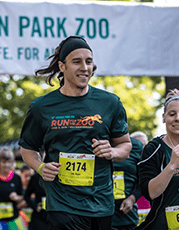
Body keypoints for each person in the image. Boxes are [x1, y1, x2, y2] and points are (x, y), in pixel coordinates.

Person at [19, 36, 132, 230]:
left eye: (89, 61)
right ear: (62, 66)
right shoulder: (41, 107)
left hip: (101, 202)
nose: (85, 67)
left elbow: (125, 146)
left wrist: (112, 152)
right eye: (77, 61)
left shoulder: (110, 103)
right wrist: (40, 167)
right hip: (62, 202)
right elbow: (27, 148)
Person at [137, 89, 179, 229]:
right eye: (172, 114)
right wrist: (172, 165)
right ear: (163, 117)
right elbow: (150, 193)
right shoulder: (153, 149)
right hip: (162, 225)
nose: (178, 118)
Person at [112, 137, 143, 230]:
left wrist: (133, 198)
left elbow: (144, 178)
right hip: (96, 215)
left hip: (126, 218)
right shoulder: (91, 142)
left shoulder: (136, 146)